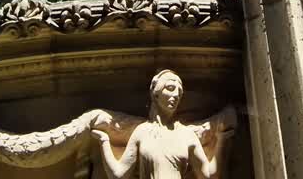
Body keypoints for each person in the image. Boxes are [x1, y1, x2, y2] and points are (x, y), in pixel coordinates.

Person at [92, 70, 234, 179]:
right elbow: (119, 174)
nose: (176, 95)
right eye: (170, 88)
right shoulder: (142, 132)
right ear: (156, 93)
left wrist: (221, 140)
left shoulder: (186, 135)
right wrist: (104, 141)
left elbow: (208, 175)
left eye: (179, 91)